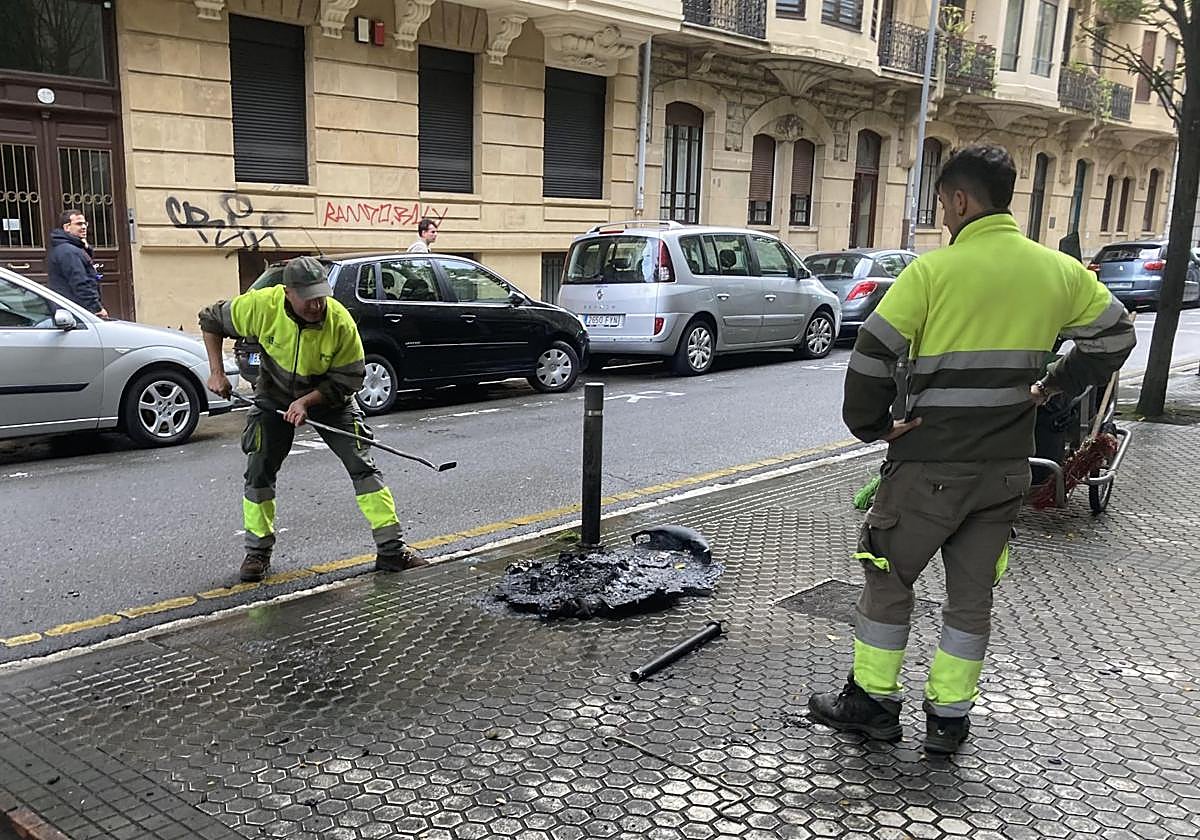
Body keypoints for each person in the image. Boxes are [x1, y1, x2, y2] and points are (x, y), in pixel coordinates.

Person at [807, 144, 1136, 754]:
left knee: (887, 577)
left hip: (929, 466)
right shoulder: (1057, 272)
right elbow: (1117, 334)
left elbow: (872, 352)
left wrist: (873, 426)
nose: (944, 216)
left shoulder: (932, 273)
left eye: (943, 204)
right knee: (970, 597)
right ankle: (949, 718)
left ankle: (874, 702)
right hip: (1006, 472)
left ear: (960, 200)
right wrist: (1055, 385)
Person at [199, 256, 428, 582]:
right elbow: (210, 320)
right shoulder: (261, 306)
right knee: (259, 468)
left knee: (362, 466)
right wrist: (217, 372)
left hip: (330, 399)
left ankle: (392, 550)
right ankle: (257, 553)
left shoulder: (340, 322)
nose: (317, 304)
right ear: (288, 292)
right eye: (308, 297)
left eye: (321, 295)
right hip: (274, 397)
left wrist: (307, 401)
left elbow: (351, 378)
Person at [48, 209, 107, 318]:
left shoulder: (71, 248)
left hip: (73, 310)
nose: (84, 227)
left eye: (85, 224)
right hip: (74, 312)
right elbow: (80, 282)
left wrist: (86, 248)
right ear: (67, 227)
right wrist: (96, 309)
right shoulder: (68, 251)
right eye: (79, 224)